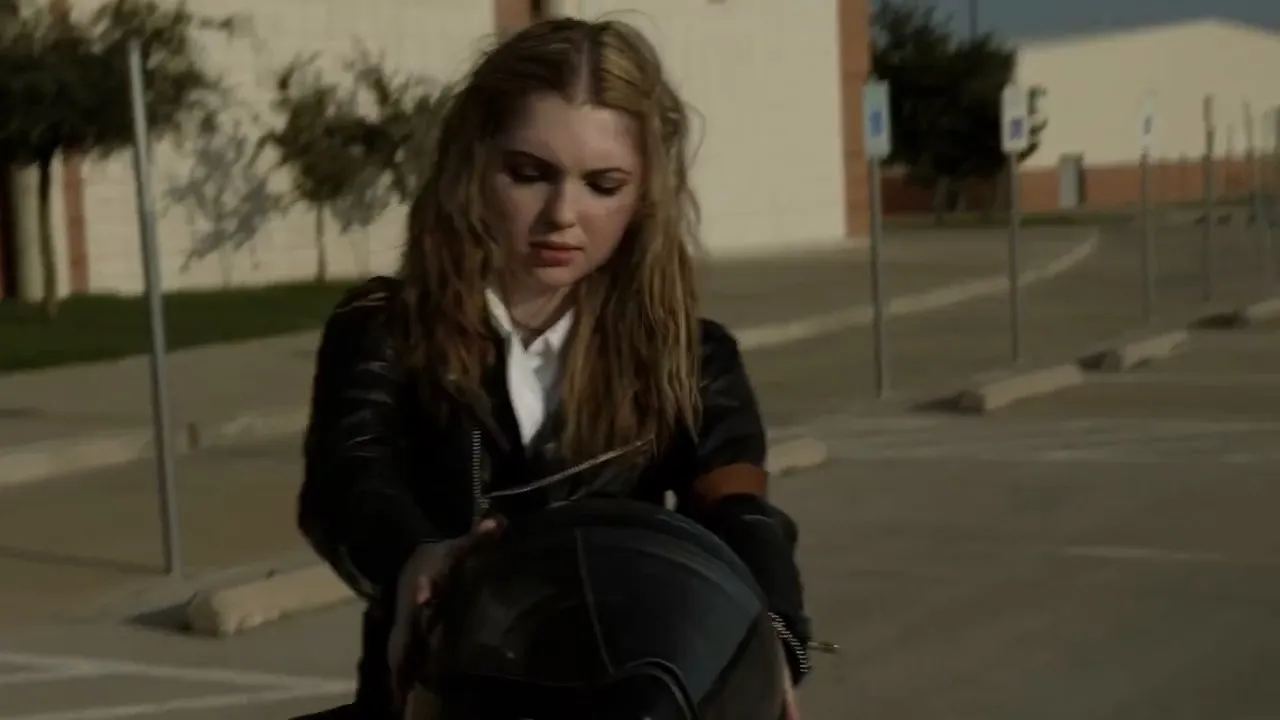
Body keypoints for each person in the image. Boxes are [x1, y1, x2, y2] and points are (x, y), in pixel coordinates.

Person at [297, 16, 810, 720]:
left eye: (603, 184)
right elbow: (348, 480)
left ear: (644, 195)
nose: (562, 214)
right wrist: (415, 555)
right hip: (436, 699)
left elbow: (739, 513)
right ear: (473, 165)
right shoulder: (384, 329)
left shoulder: (690, 356)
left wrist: (775, 632)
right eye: (529, 174)